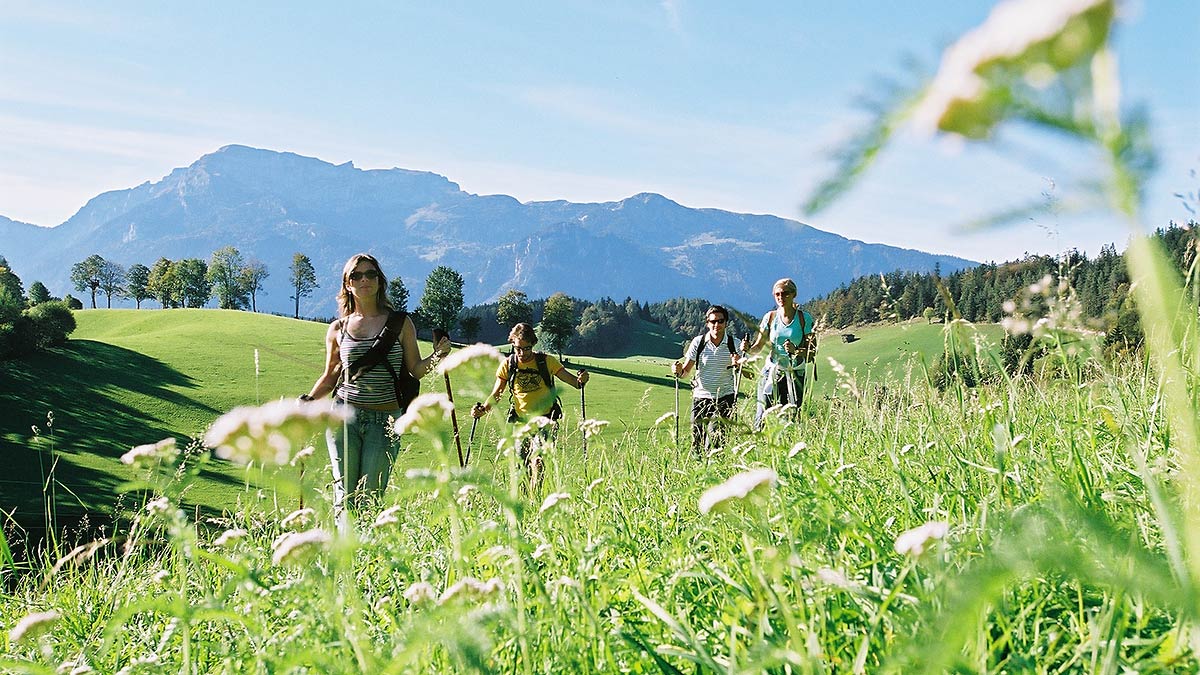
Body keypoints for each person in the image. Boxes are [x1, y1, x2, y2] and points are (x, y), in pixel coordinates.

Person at [301, 253, 450, 518]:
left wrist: (439, 356)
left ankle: (365, 554)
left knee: (370, 499)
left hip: (385, 420)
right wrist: (308, 401)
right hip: (343, 417)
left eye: (370, 274)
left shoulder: (401, 323)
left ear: (380, 282)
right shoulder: (338, 328)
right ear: (347, 285)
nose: (364, 280)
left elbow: (415, 370)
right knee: (344, 496)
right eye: (356, 276)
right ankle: (345, 556)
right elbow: (332, 374)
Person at [472, 322, 588, 488]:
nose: (522, 353)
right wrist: (482, 410)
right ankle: (526, 501)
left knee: (539, 461)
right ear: (513, 344)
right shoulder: (509, 364)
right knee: (522, 465)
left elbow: (575, 383)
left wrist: (581, 380)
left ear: (533, 344)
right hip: (521, 422)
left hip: (546, 420)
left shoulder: (546, 362)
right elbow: (496, 394)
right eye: (518, 348)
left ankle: (536, 498)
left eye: (526, 348)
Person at [741, 278, 815, 429]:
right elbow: (758, 346)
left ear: (794, 294)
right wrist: (747, 349)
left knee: (791, 417)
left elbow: (812, 352)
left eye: (785, 293)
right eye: (777, 294)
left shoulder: (804, 318)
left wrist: (796, 351)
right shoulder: (770, 318)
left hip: (795, 374)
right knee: (762, 414)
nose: (781, 297)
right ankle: (759, 444)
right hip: (772, 371)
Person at [671, 305, 742, 456]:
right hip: (701, 398)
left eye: (720, 321)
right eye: (713, 321)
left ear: (726, 323)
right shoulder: (698, 343)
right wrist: (677, 371)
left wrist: (739, 364)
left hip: (725, 398)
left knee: (717, 440)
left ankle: (715, 472)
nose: (717, 325)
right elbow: (685, 372)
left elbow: (748, 374)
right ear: (707, 323)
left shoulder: (734, 344)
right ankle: (698, 472)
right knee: (697, 441)